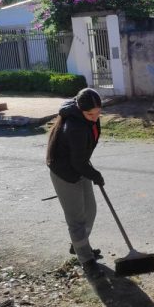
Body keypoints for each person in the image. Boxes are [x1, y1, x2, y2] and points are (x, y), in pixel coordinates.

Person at [46, 88, 105, 277]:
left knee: (90, 211)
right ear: (80, 110)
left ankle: (79, 245)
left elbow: (81, 156)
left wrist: (90, 170)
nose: (95, 117)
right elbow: (76, 162)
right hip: (65, 173)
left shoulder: (88, 118)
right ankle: (86, 260)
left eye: (98, 113)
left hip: (80, 166)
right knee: (77, 220)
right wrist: (95, 174)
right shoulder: (74, 127)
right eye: (90, 114)